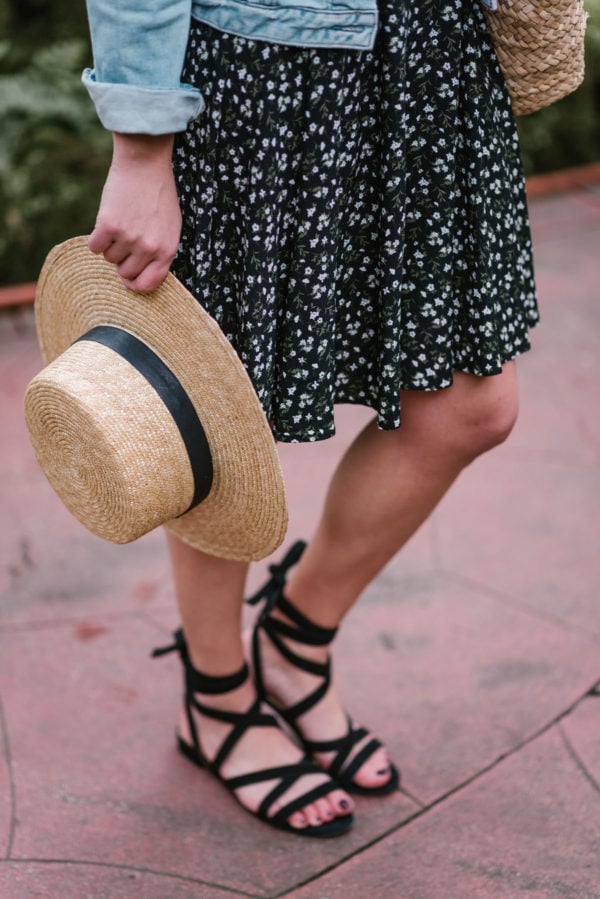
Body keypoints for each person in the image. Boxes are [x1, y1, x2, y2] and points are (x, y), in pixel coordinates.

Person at [82, 0, 538, 836]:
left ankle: (296, 637)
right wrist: (142, 140)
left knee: (474, 406)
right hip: (267, 72)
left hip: (433, 70)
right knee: (218, 412)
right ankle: (216, 695)